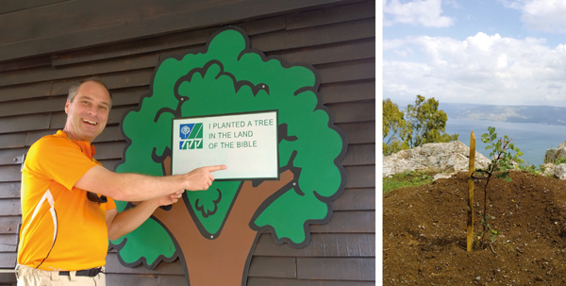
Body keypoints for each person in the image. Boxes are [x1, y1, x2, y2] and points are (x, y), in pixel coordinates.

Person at [16, 79, 226, 286]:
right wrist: (186, 180)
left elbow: (112, 228)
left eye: (102, 107)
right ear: (68, 106)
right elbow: (119, 188)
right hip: (50, 278)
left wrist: (155, 201)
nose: (93, 112)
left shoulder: (90, 166)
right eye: (85, 102)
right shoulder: (50, 148)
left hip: (91, 277)